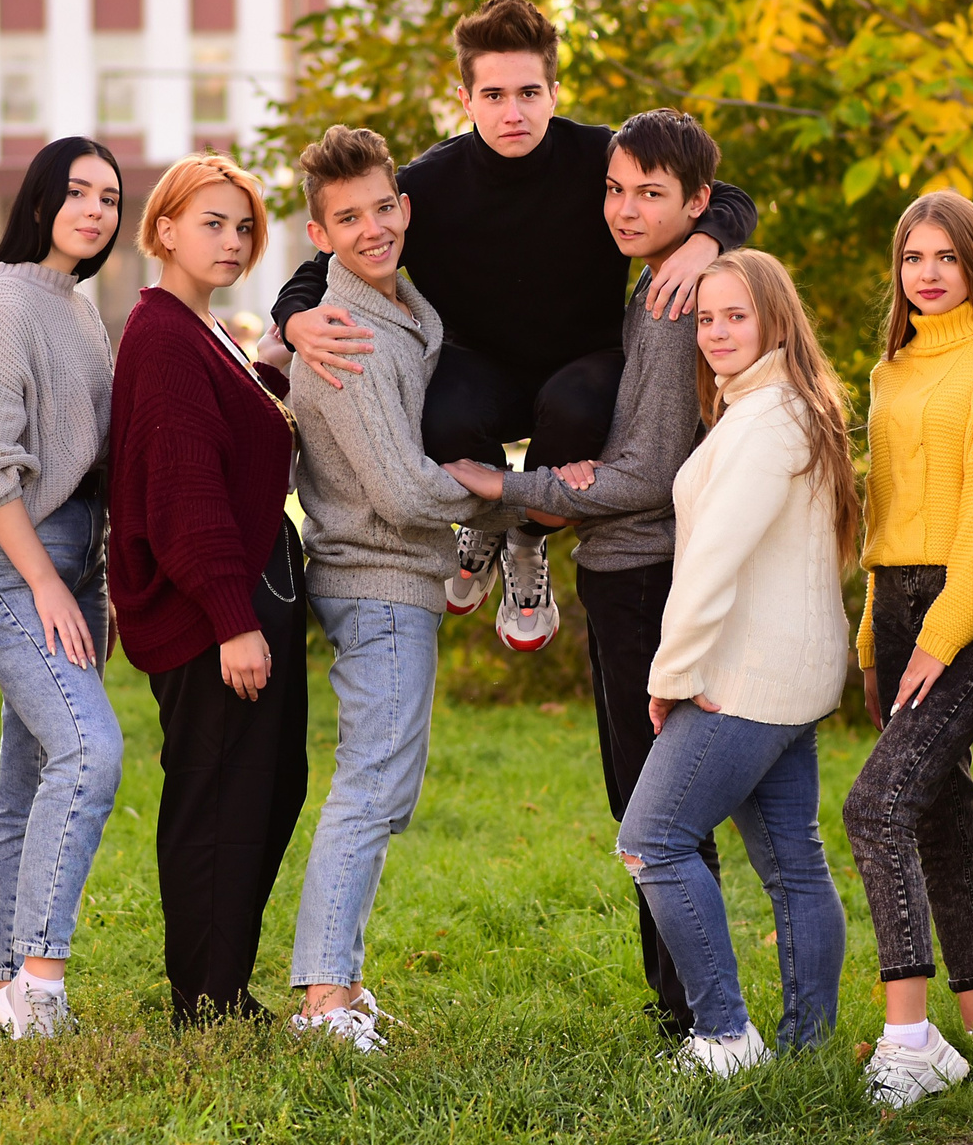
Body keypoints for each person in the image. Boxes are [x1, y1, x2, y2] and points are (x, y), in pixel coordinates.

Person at [271, 0, 758, 653]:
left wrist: (706, 242)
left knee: (578, 400)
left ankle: (527, 539)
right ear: (465, 98)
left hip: (581, 368)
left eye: (530, 91)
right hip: (483, 375)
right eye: (494, 94)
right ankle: (487, 526)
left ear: (554, 92)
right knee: (440, 407)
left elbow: (724, 194)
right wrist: (296, 319)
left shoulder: (601, 159)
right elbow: (326, 256)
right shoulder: (429, 185)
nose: (513, 111)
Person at [446, 108, 724, 1038]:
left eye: (651, 193)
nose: (626, 208)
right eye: (615, 189)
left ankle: (699, 1016)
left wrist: (506, 484)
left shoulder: (683, 297)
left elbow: (649, 469)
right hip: (617, 569)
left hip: (648, 571)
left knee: (661, 804)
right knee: (639, 796)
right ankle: (677, 1004)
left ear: (697, 203)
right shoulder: (651, 284)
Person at [284, 124, 513, 1051]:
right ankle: (325, 1004)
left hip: (403, 578)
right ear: (319, 232)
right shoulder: (344, 336)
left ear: (403, 206)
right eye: (349, 217)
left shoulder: (404, 304)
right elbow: (403, 488)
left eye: (383, 207)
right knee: (372, 784)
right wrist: (509, 501)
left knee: (386, 783)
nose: (373, 227)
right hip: (372, 575)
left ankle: (337, 984)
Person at [618, 248, 854, 1075]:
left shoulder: (765, 420)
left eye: (736, 316)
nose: (716, 332)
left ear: (774, 319)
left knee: (653, 841)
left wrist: (670, 676)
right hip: (792, 677)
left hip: (744, 680)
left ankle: (724, 1036)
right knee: (795, 865)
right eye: (706, 318)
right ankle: (808, 1050)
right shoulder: (785, 406)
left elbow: (712, 562)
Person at [842, 190, 973, 1107]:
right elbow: (885, 508)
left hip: (972, 601)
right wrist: (874, 630)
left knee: (876, 804)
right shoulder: (889, 369)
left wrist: (942, 635)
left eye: (947, 258)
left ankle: (909, 1039)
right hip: (898, 601)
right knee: (938, 812)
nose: (928, 273)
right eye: (913, 257)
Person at [110, 152, 310, 1027]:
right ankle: (206, 998)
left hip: (249, 594)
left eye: (242, 226)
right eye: (210, 223)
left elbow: (232, 436)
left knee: (268, 790)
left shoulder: (203, 330)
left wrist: (265, 368)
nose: (231, 240)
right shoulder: (160, 335)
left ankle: (221, 980)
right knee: (219, 799)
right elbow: (185, 493)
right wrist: (234, 621)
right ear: (163, 231)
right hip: (213, 614)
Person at [0, 137, 126, 1041]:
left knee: (36, 778)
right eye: (78, 191)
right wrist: (48, 584)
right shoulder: (6, 304)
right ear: (42, 199)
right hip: (6, 563)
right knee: (91, 753)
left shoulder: (77, 309)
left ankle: (1, 979)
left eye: (110, 197)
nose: (95, 209)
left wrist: (95, 585)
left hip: (70, 564)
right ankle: (40, 981)